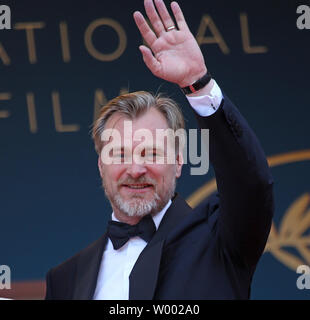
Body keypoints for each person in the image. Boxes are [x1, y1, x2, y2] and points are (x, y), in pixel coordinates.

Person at [45, 0, 274, 299]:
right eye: (120, 154)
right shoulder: (64, 278)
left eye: (152, 153)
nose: (136, 169)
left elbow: (250, 183)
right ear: (101, 165)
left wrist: (197, 82)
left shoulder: (222, 238)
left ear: (179, 162)